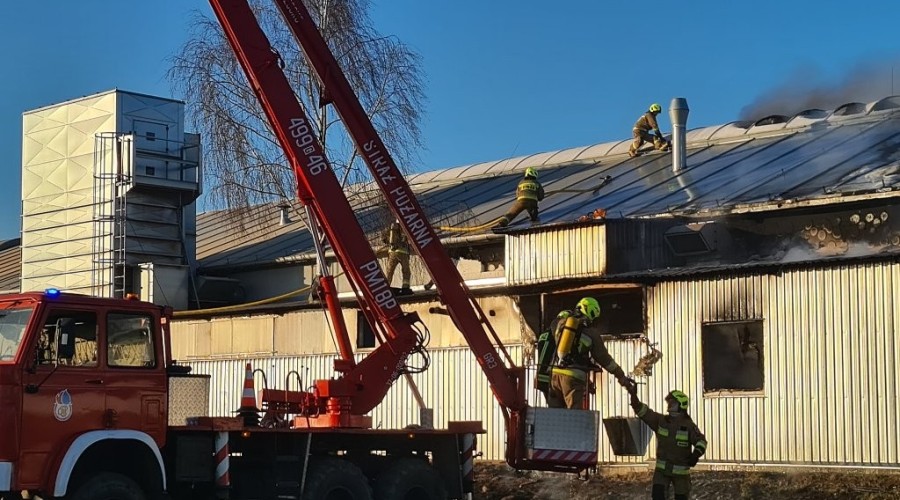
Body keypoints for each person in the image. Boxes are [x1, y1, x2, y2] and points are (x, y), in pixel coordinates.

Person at [547, 297, 632, 409]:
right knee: (574, 417)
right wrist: (620, 375)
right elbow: (605, 359)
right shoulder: (592, 334)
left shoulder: (561, 324)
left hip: (554, 375)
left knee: (554, 416)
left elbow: (553, 331)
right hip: (573, 379)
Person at [626, 384, 708, 500]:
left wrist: (696, 455)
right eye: (669, 402)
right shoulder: (661, 421)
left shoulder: (688, 425)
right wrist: (633, 395)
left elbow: (701, 441)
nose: (669, 405)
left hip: (681, 474)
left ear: (681, 405)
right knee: (658, 496)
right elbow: (642, 411)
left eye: (673, 402)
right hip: (662, 472)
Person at [382, 219, 413, 295]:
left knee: (389, 271)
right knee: (406, 272)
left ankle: (386, 288)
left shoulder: (390, 229)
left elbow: (384, 239)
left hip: (392, 253)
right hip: (403, 253)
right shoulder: (405, 229)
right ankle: (405, 288)